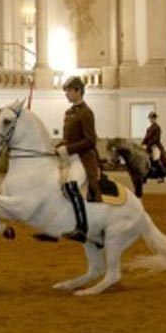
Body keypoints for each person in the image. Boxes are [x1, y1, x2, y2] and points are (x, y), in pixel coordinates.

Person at [57, 76, 100, 243]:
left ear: (78, 91)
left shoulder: (86, 113)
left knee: (72, 186)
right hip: (70, 157)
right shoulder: (69, 113)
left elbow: (91, 140)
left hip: (82, 159)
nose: (66, 94)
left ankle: (82, 228)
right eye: (66, 91)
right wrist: (58, 146)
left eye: (68, 91)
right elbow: (69, 139)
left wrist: (68, 149)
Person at [143, 111, 165, 178]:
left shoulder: (157, 127)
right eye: (150, 118)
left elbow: (156, 139)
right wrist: (142, 144)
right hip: (149, 146)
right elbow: (146, 138)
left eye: (152, 118)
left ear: (155, 118)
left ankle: (160, 176)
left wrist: (148, 145)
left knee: (155, 158)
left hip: (155, 146)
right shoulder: (149, 128)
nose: (151, 119)